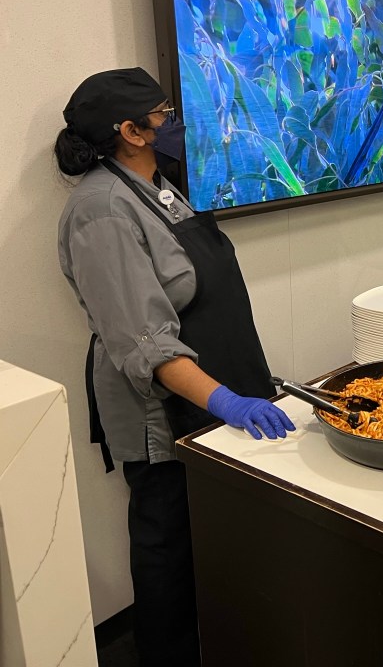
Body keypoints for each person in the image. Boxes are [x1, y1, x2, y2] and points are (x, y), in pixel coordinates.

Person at [56, 68, 295, 667]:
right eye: (164, 113)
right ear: (131, 131)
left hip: (210, 394)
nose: (175, 123)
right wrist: (228, 401)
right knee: (167, 545)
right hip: (161, 413)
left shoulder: (157, 187)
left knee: (212, 539)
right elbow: (147, 344)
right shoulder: (100, 211)